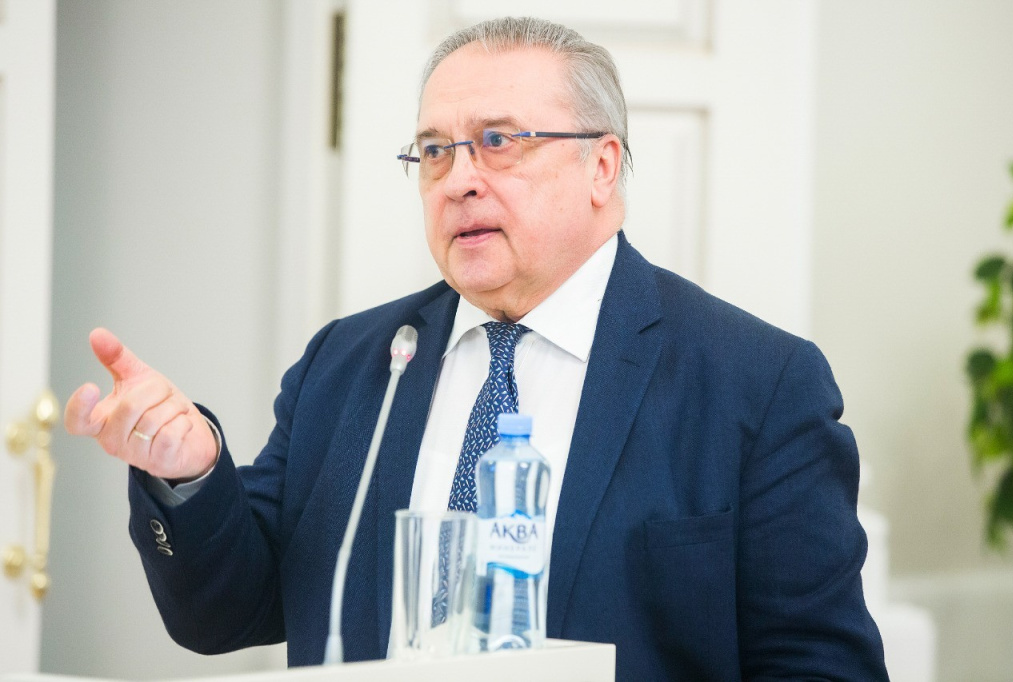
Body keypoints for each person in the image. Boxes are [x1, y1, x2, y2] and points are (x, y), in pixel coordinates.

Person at [65, 16, 888, 681]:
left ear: (602, 166)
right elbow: (228, 612)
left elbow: (819, 667)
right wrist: (191, 473)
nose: (459, 178)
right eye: (434, 151)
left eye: (498, 141)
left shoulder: (756, 383)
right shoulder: (349, 364)